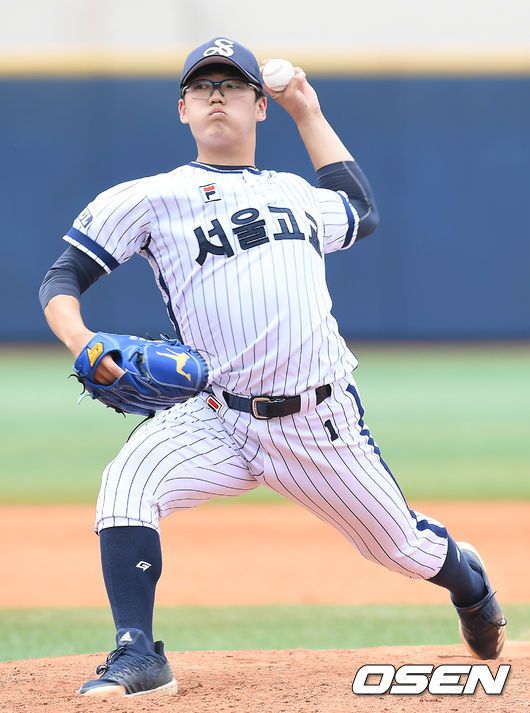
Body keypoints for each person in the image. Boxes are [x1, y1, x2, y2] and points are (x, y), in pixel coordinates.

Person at [39, 37, 506, 697]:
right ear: (182, 108)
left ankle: (470, 583)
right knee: (127, 484)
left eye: (232, 85)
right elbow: (61, 278)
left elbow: (361, 209)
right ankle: (138, 654)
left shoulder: (296, 194)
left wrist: (307, 108)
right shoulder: (148, 198)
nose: (217, 96)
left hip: (318, 421)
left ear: (260, 105)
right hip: (217, 415)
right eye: (203, 86)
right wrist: (83, 341)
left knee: (402, 547)